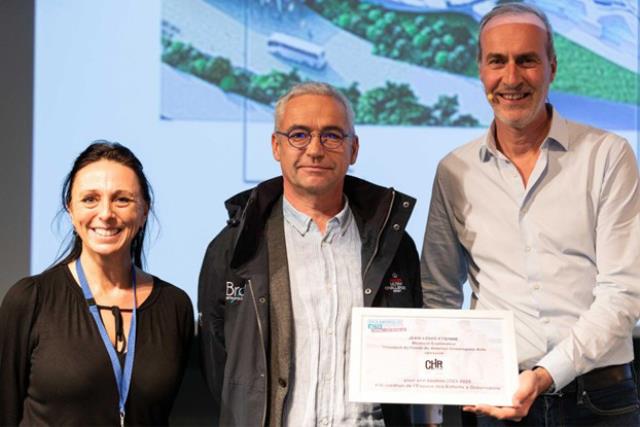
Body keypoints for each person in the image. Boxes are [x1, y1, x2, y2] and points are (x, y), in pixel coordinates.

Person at [420, 3, 640, 426]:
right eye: (497, 61)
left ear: (552, 67)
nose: (512, 78)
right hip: (495, 400)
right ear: (481, 70)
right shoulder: (454, 170)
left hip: (599, 399)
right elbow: (439, 294)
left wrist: (543, 375)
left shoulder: (608, 155)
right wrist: (439, 393)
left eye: (527, 60)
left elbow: (623, 291)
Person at [198, 82, 437, 426]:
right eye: (299, 134)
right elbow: (221, 363)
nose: (315, 149)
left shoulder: (394, 246)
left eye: (331, 136)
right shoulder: (233, 247)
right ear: (275, 146)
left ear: (353, 149)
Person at [0, 141, 194, 426]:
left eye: (122, 199)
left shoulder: (173, 306)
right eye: (90, 198)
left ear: (143, 212)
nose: (105, 213)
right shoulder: (30, 300)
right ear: (70, 210)